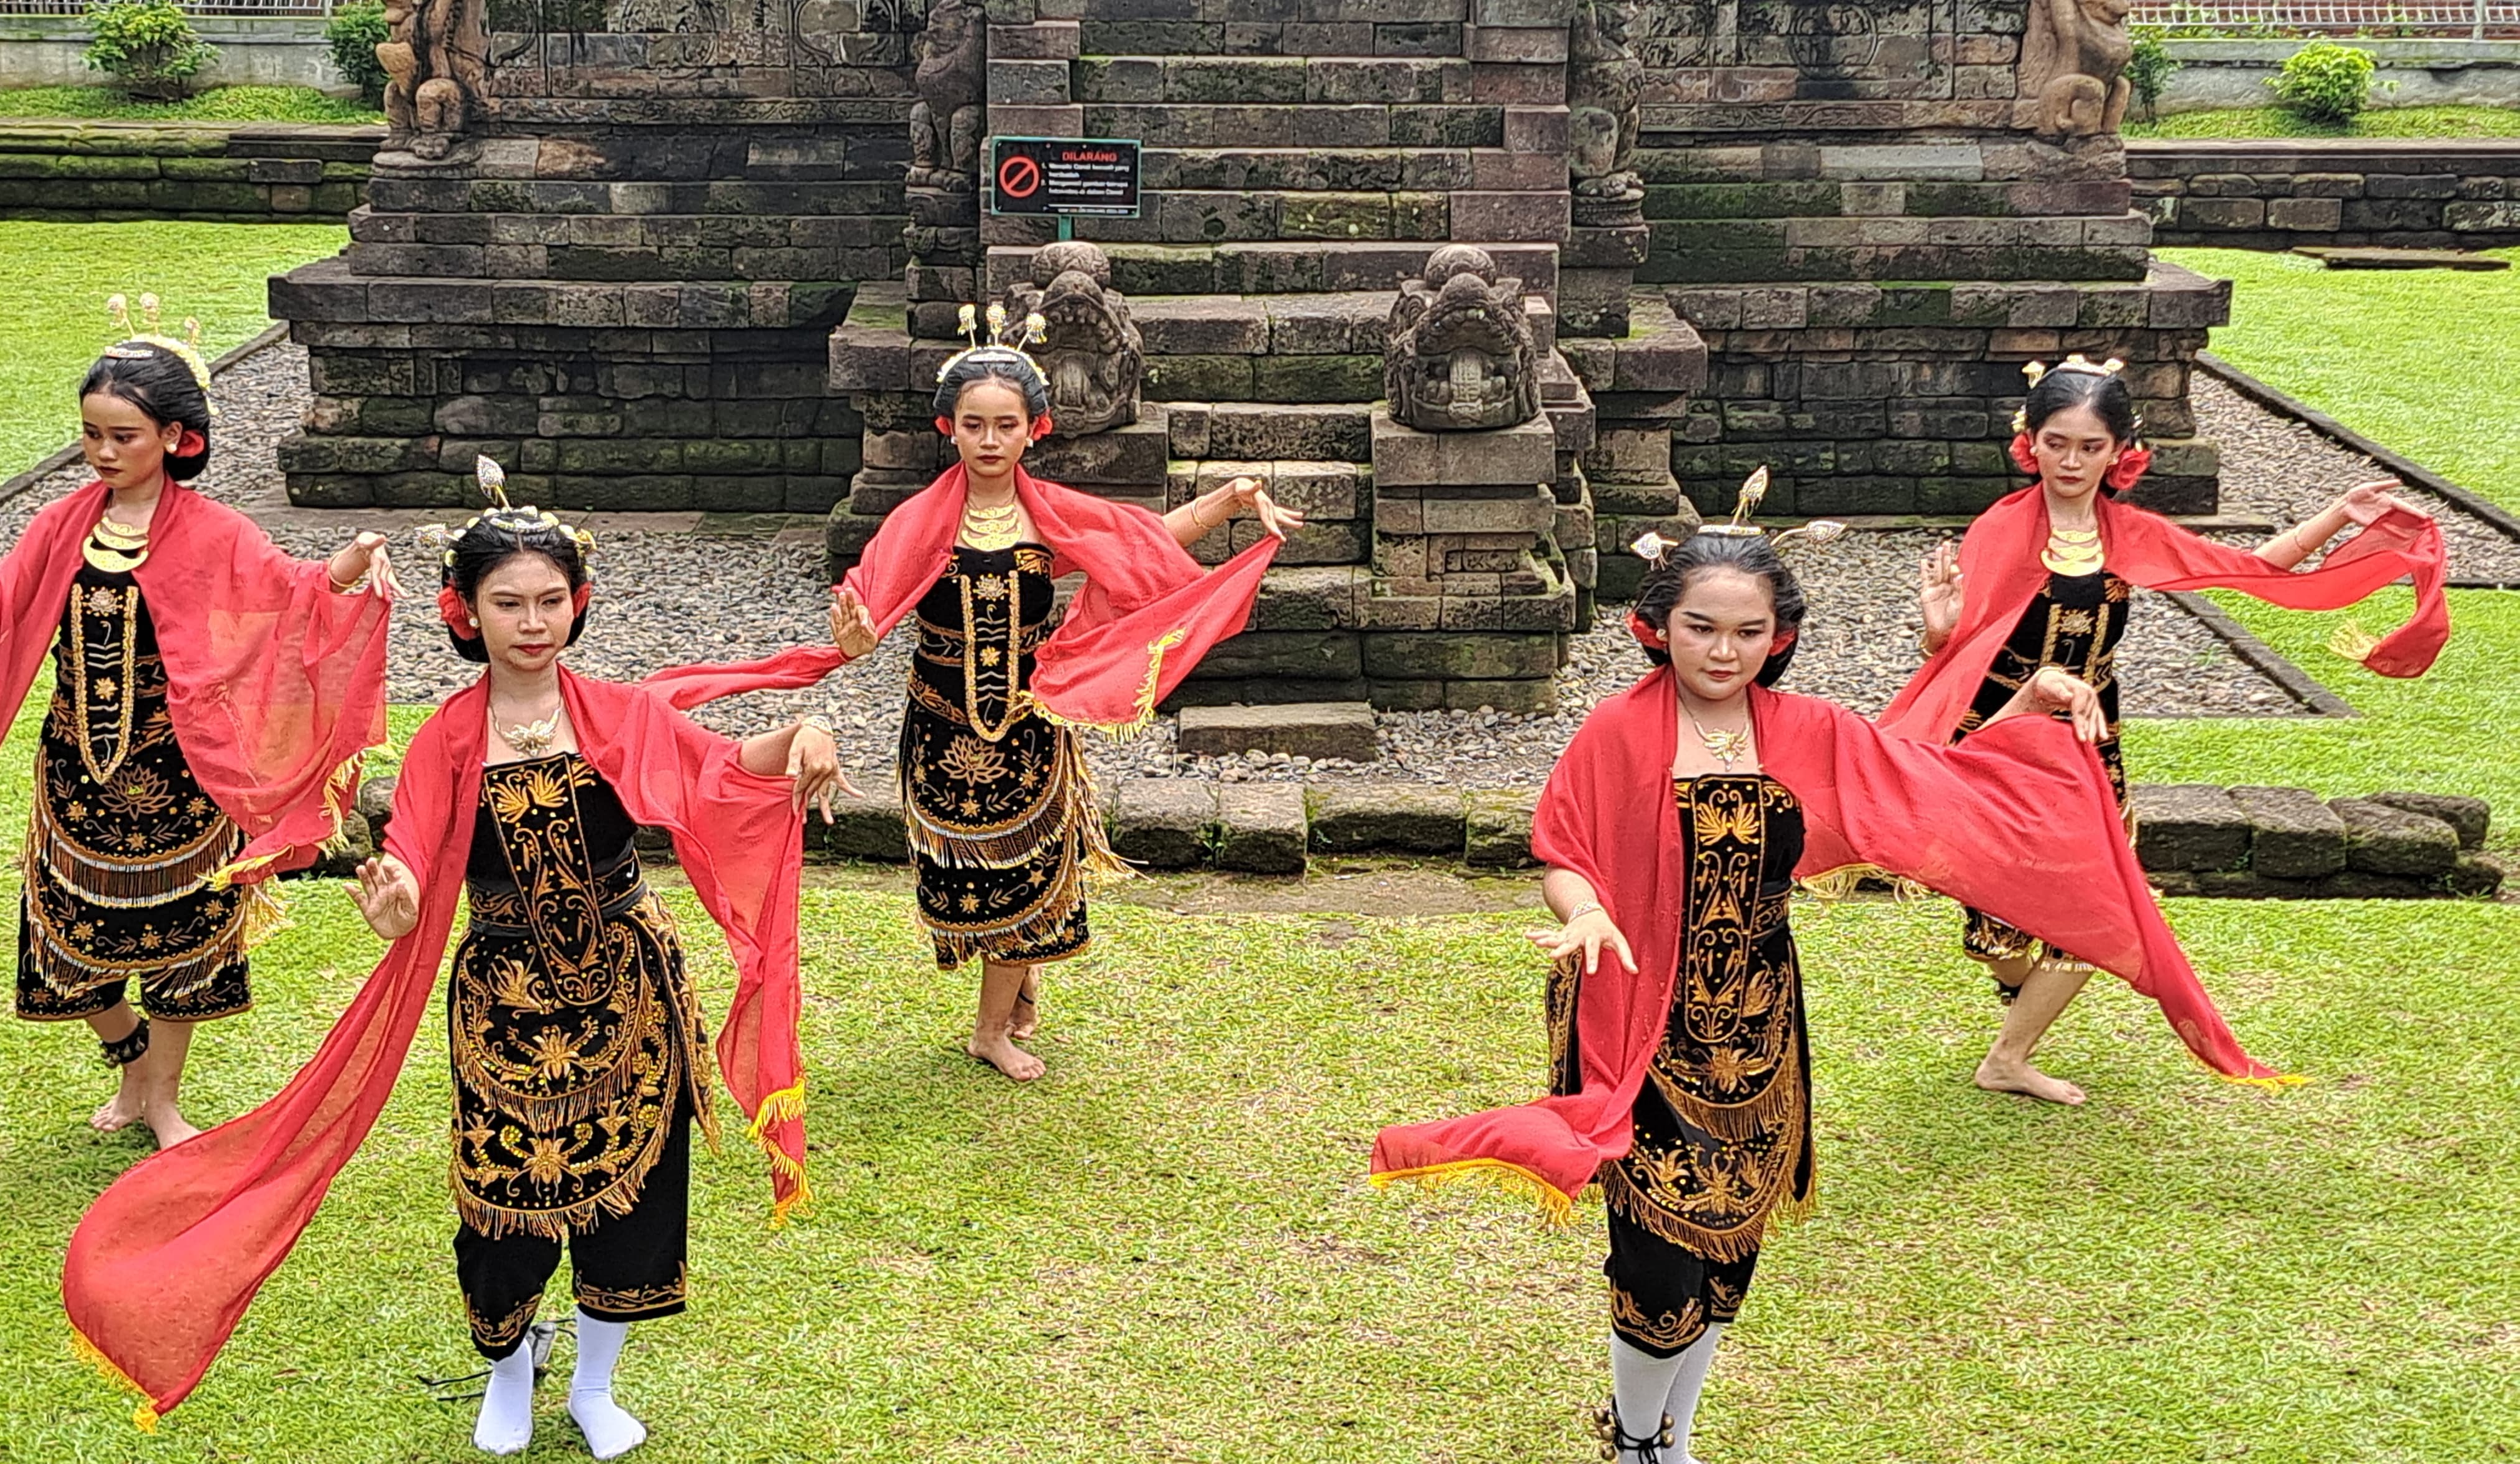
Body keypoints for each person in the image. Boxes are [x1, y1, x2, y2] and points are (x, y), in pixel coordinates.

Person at [1370, 505, 2289, 1464]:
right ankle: (1638, 1440)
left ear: (1782, 636)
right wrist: (1586, 909)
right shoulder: (1618, 732)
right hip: (1639, 1008)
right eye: (1702, 628)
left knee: (1735, 1236)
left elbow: (1926, 779)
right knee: (1660, 1247)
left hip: (1762, 1017)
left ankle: (1666, 1437)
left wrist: (2026, 710)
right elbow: (1564, 848)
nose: (1724, 652)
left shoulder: (1807, 730)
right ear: (1657, 626)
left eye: (1748, 631)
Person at [64, 462, 846, 1453]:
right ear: (464, 612)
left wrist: (807, 729)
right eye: (508, 602)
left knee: (640, 1198)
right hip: (505, 1007)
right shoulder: (446, 740)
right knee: (503, 1204)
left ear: (579, 604)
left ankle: (595, 1387)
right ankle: (509, 1374)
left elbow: (724, 771)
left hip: (634, 991)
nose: (532, 621)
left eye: (551, 600)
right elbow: (406, 866)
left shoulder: (619, 712)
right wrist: (393, 902)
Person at [646, 326, 1298, 1081]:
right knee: (969, 879)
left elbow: (1140, 546)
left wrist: (1228, 500)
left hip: (1028, 726)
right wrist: (855, 638)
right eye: (973, 423)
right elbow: (865, 613)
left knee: (1030, 867)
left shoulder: (1050, 514)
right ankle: (1009, 997)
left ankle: (993, 1027)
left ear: (1034, 429)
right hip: (939, 727)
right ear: (947, 427)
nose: (989, 439)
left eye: (1006, 424)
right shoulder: (916, 522)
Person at [1888, 354, 2451, 1105]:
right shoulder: (2000, 528)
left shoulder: (2125, 531)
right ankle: (2019, 989)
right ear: (2030, 441)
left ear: (2121, 451)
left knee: (2097, 905)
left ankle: (2007, 1055)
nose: (2071, 461)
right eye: (2057, 442)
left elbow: (2250, 567)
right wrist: (1937, 634)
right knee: (1999, 922)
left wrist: (2335, 516)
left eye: (2091, 447)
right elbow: (1961, 646)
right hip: (1997, 732)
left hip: (2089, 744)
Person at [0, 298, 393, 1148]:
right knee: (68, 937)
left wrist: (348, 565)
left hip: (183, 774)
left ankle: (164, 1099)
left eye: (123, 436)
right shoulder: (60, 523)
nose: (103, 452)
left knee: (184, 937)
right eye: (92, 434)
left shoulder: (214, 531)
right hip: (75, 773)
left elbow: (289, 597)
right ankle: (130, 1054)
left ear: (175, 438)